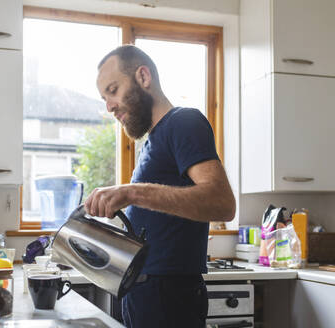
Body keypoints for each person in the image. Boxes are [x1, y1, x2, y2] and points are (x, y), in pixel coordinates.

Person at [85, 45, 236, 328]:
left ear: (143, 77)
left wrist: (130, 192)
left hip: (169, 298)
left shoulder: (184, 122)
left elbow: (223, 203)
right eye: (104, 98)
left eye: (113, 90)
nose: (109, 106)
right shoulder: (152, 142)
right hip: (145, 295)